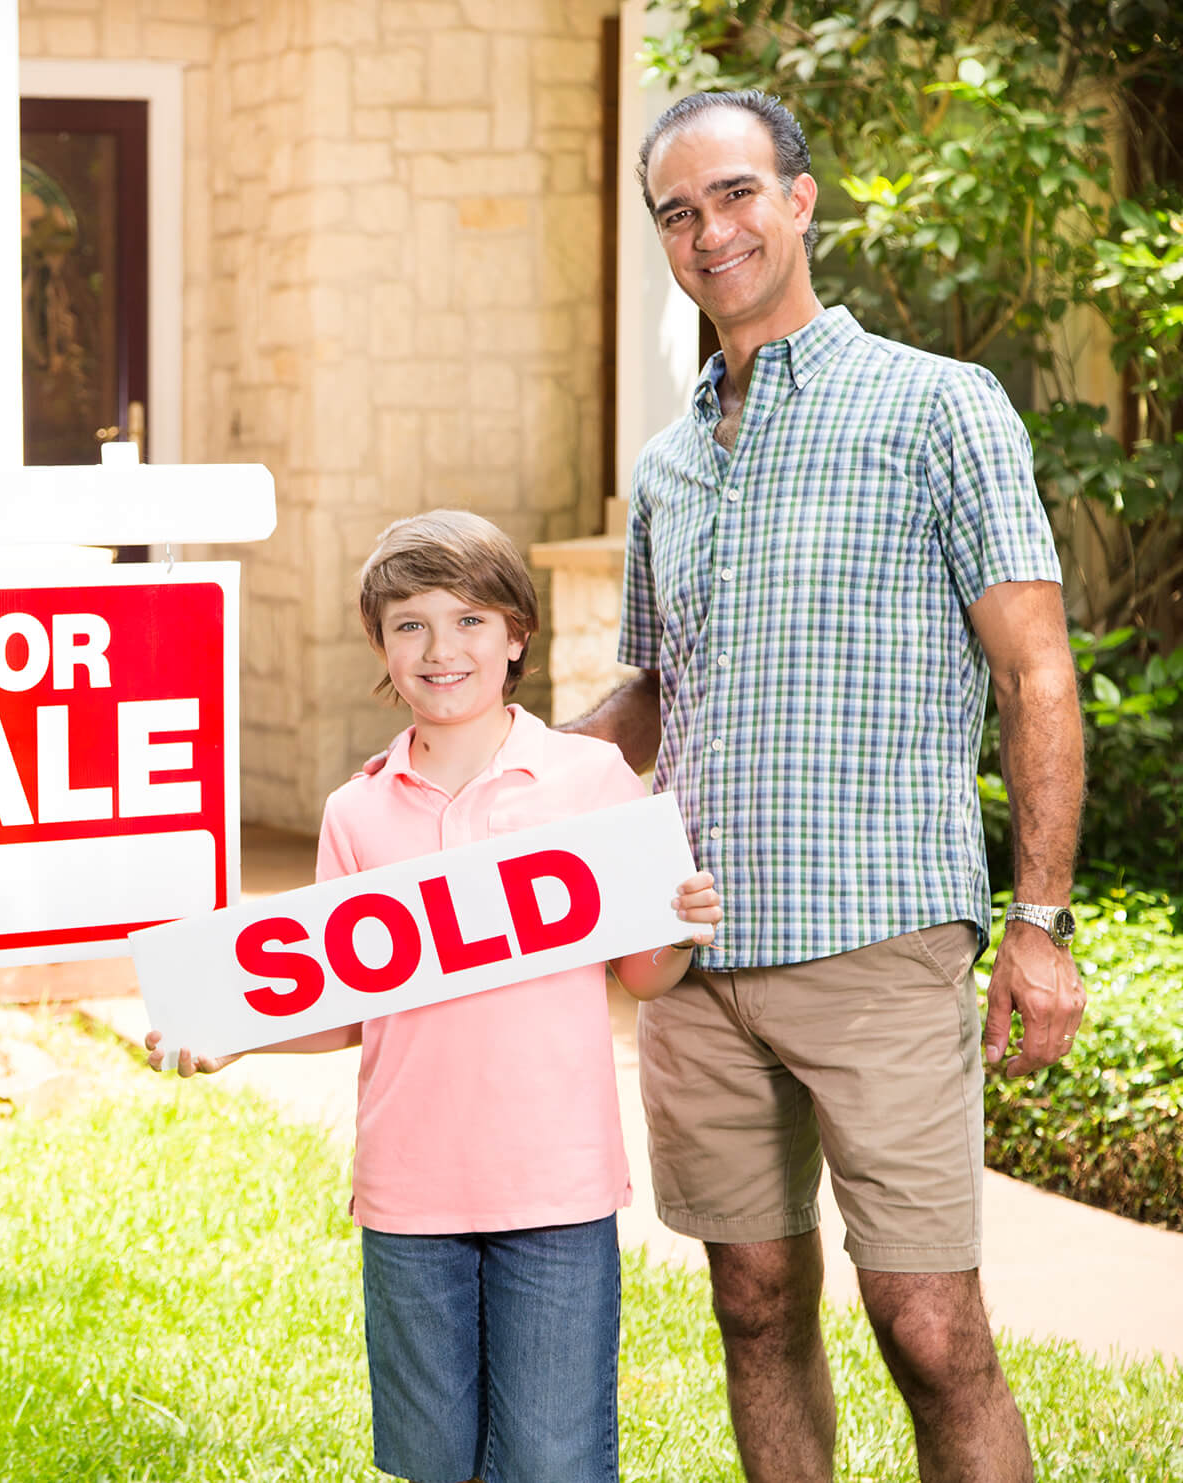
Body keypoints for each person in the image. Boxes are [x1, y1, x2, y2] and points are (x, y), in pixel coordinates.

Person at [578, 90, 1086, 1483]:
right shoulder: (670, 464)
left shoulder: (936, 403)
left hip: (877, 938)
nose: (708, 231)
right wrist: (510, 760)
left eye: (733, 194)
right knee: (751, 1301)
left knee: (930, 1322)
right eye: (677, 212)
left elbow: (1037, 672)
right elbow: (648, 691)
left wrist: (1038, 920)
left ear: (803, 200)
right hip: (693, 955)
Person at [146, 511, 722, 1483]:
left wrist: (673, 926)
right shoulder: (356, 810)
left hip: (555, 1180)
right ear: (379, 645)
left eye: (468, 621)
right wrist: (234, 1034)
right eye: (409, 624)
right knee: (432, 1458)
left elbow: (645, 976)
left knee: (552, 1458)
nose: (440, 647)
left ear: (514, 637)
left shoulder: (588, 780)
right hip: (409, 1189)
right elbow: (338, 1003)